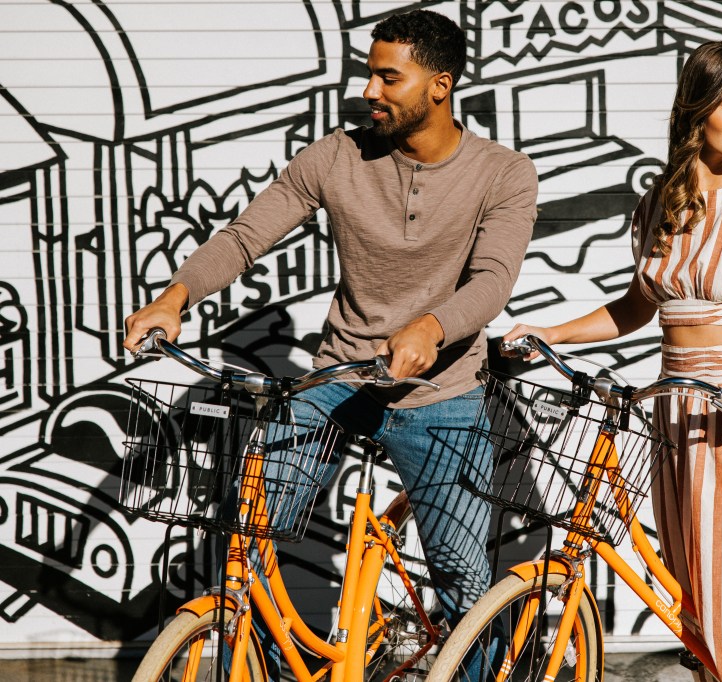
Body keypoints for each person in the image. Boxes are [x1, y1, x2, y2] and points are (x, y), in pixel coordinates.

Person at [123, 8, 538, 679]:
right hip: (337, 381)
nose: (369, 91)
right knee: (249, 534)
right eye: (367, 75)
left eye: (387, 77)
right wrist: (175, 298)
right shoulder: (337, 155)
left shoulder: (504, 174)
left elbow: (493, 279)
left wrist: (432, 327)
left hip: (443, 395)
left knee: (464, 582)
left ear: (440, 85)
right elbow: (245, 236)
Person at [503, 41, 722, 681]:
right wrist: (551, 332)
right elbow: (637, 307)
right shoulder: (661, 200)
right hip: (674, 415)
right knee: (697, 595)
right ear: (696, 110)